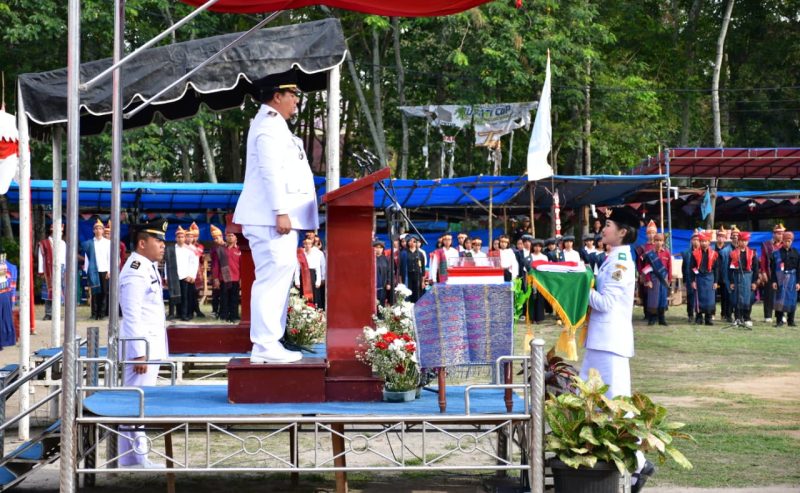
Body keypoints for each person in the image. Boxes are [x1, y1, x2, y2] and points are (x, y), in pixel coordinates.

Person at [233, 70, 318, 364]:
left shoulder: (276, 125)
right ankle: (265, 344)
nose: (296, 100)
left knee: (280, 277)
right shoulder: (268, 126)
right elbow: (270, 172)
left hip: (277, 218)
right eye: (292, 94)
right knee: (272, 278)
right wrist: (280, 211)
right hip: (270, 217)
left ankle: (270, 342)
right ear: (277, 96)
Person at [579, 207, 653, 492]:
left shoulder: (621, 260)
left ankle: (638, 462)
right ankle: (617, 458)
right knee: (590, 398)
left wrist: (579, 286)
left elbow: (607, 303)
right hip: (601, 341)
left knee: (616, 405)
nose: (603, 228)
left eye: (608, 224)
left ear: (622, 232)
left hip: (610, 343)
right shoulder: (612, 257)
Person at [117, 218, 169, 469]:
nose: (162, 245)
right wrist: (139, 352)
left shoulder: (147, 267)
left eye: (163, 241)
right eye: (157, 240)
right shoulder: (136, 269)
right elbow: (132, 313)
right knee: (137, 404)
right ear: (141, 243)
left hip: (150, 347)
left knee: (135, 402)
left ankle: (129, 459)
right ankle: (140, 457)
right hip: (142, 350)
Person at [82, 218, 111, 320]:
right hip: (93, 270)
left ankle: (102, 313)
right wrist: (87, 269)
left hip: (104, 270)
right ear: (93, 230)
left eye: (100, 229)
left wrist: (109, 270)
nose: (98, 231)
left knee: (104, 292)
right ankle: (94, 314)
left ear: (103, 230)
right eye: (96, 229)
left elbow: (109, 257)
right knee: (94, 292)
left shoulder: (108, 243)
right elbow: (87, 258)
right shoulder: (89, 243)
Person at [728, 231, 759, 327]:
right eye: (742, 241)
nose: (744, 243)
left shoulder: (752, 253)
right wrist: (731, 281)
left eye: (746, 241)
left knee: (748, 298)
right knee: (737, 299)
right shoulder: (733, 253)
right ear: (738, 241)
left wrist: (754, 282)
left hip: (748, 277)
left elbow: (756, 269)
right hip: (737, 277)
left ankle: (747, 317)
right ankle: (737, 317)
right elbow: (729, 269)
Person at [641, 233, 672, 326]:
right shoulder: (650, 254)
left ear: (663, 242)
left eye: (661, 240)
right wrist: (648, 280)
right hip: (653, 279)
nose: (659, 242)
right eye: (657, 240)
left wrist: (669, 278)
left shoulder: (667, 252)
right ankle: (652, 319)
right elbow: (646, 268)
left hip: (663, 279)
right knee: (653, 299)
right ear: (654, 242)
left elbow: (669, 266)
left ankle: (662, 319)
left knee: (662, 299)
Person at [37, 223, 67, 321]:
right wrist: (41, 271)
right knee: (48, 291)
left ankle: (57, 313)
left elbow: (65, 258)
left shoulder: (63, 243)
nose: (60, 233)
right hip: (48, 269)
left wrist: (66, 269)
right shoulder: (44, 243)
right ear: (52, 230)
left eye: (61, 231)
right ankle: (48, 313)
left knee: (58, 291)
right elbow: (41, 257)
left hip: (61, 268)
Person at [690, 231, 719, 326]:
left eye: (705, 241)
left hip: (710, 278)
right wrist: (693, 280)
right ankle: (698, 317)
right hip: (699, 278)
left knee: (710, 299)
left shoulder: (714, 254)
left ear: (709, 242)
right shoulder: (694, 253)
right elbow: (692, 267)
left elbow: (716, 269)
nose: (703, 243)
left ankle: (708, 318)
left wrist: (716, 282)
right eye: (702, 241)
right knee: (699, 298)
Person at [772, 230, 800, 327]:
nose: (787, 242)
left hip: (792, 278)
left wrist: (798, 282)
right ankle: (779, 321)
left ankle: (791, 321)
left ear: (792, 241)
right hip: (780, 277)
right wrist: (774, 281)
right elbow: (773, 269)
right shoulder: (776, 253)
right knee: (779, 299)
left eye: (789, 241)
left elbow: (799, 268)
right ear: (782, 241)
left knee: (792, 299)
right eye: (785, 240)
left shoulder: (796, 252)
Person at [759, 224, 784, 323]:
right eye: (779, 233)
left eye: (782, 233)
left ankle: (780, 315)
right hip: (769, 274)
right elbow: (763, 260)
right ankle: (768, 315)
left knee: (781, 295)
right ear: (774, 234)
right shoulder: (766, 245)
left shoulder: (784, 245)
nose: (781, 235)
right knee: (769, 295)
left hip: (782, 274)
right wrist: (763, 272)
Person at [713, 226, 733, 323]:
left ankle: (724, 314)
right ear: (717, 237)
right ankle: (712, 313)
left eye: (723, 236)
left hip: (725, 276)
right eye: (719, 236)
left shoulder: (728, 250)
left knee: (726, 297)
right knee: (713, 296)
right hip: (714, 277)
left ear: (725, 238)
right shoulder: (712, 248)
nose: (721, 238)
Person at [163, 227, 183, 321]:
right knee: (172, 294)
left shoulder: (187, 250)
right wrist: (166, 276)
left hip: (183, 275)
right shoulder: (170, 249)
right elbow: (166, 263)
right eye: (178, 237)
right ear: (176, 238)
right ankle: (171, 313)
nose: (180, 239)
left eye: (182, 237)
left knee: (181, 294)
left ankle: (179, 313)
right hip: (172, 274)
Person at [399, 234, 426, 302]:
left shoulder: (420, 253)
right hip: (407, 276)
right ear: (407, 242)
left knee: (417, 294)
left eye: (414, 241)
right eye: (410, 241)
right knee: (407, 294)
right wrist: (400, 281)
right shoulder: (403, 253)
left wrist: (423, 281)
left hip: (417, 276)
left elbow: (423, 269)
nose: (412, 243)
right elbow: (400, 268)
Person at [0, 248, 17, 350]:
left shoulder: (6, 266)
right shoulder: (11, 267)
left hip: (4, 293)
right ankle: (5, 340)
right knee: (5, 318)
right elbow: (12, 285)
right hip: (6, 294)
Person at [681, 232, 700, 323]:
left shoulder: (703, 252)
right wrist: (684, 280)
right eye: (694, 240)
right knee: (690, 297)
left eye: (698, 240)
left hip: (700, 278)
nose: (696, 241)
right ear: (691, 241)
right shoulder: (686, 253)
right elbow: (683, 267)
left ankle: (699, 314)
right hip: (689, 278)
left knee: (700, 297)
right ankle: (690, 314)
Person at [374, 241, 392, 307]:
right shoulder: (371, 258)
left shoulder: (386, 259)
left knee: (382, 302)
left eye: (380, 248)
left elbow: (389, 271)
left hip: (383, 285)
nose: (378, 249)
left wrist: (388, 283)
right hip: (374, 286)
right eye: (376, 247)